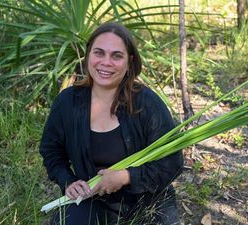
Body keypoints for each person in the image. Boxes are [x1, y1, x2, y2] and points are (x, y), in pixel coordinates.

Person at [39, 22, 183, 225]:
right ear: (88, 55)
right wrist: (68, 181)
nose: (106, 62)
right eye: (99, 53)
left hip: (147, 198)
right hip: (93, 199)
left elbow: (173, 162)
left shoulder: (147, 103)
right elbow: (51, 150)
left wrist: (126, 177)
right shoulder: (68, 102)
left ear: (129, 62)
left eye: (116, 56)